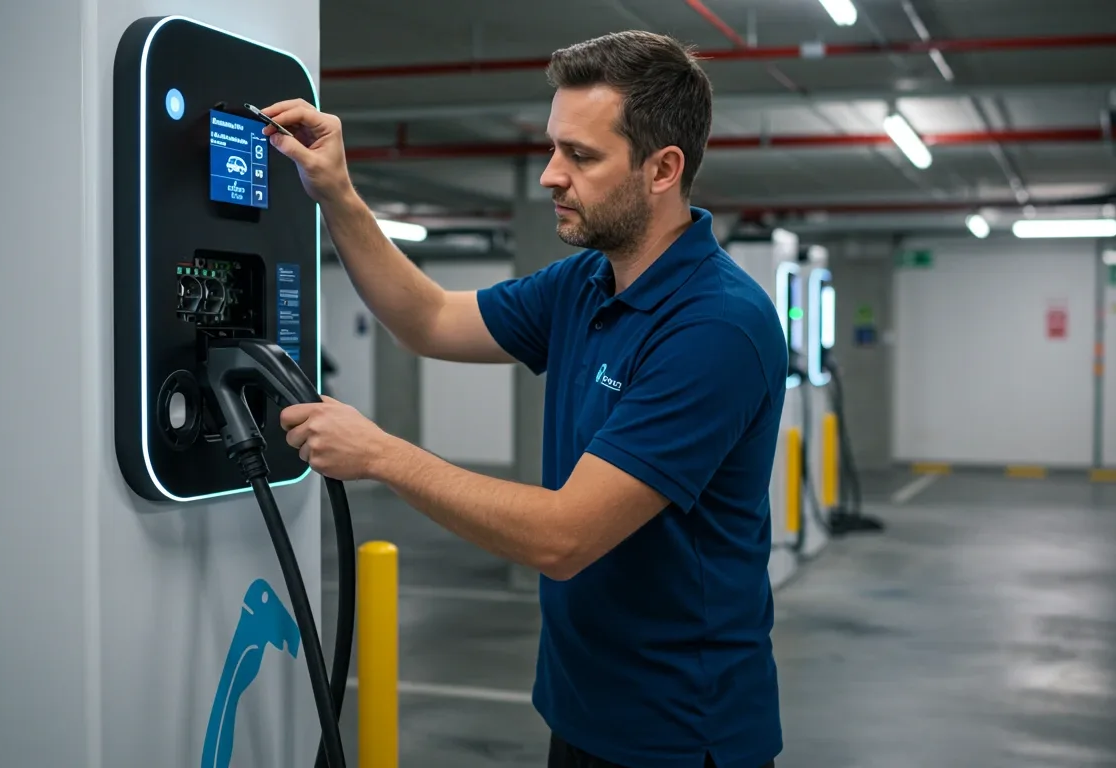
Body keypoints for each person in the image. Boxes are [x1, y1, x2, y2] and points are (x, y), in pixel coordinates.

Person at [264, 30, 784, 768]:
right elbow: (428, 318)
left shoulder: (715, 326)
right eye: (552, 147)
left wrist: (380, 454)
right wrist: (336, 193)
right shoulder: (585, 282)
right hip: (580, 708)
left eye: (581, 155)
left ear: (663, 168)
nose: (549, 175)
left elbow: (563, 538)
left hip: (679, 734)